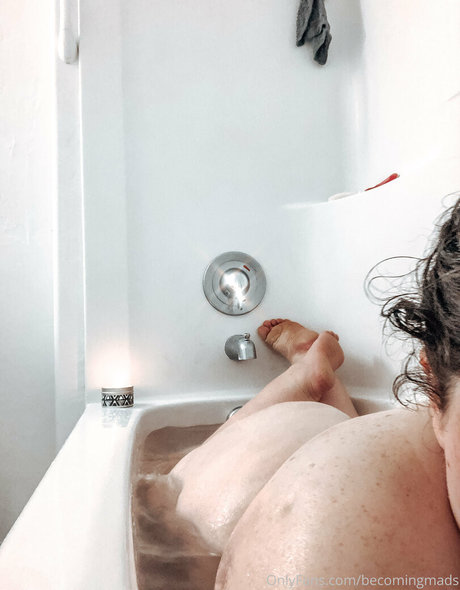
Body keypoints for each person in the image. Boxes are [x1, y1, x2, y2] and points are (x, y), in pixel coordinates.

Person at [168, 197, 460, 589]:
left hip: (308, 444)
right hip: (241, 485)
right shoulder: (343, 553)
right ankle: (307, 369)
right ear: (434, 394)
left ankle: (308, 367)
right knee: (166, 492)